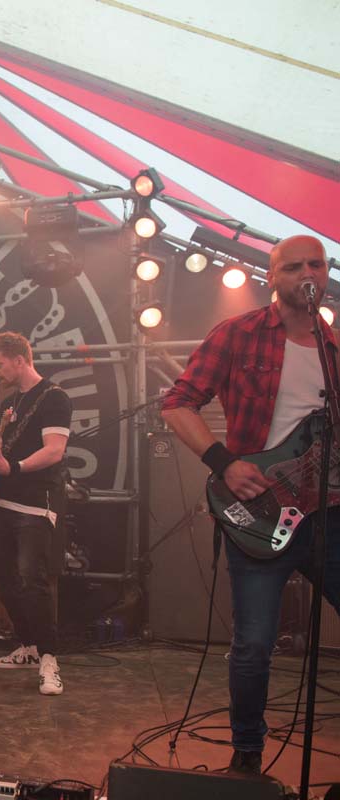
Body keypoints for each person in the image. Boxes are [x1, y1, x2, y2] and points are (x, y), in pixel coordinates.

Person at [162, 234, 337, 774]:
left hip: (329, 510)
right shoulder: (238, 334)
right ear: (271, 277)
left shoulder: (335, 348)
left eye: (316, 264)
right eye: (293, 266)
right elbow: (177, 402)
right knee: (254, 644)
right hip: (260, 510)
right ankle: (246, 757)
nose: (307, 274)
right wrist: (224, 462)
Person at [0, 332, 71, 696]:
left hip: (34, 503)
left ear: (19, 359)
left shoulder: (54, 398)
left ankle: (49, 660)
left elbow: (54, 451)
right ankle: (28, 646)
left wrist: (16, 469)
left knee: (32, 580)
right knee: (0, 577)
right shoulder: (10, 402)